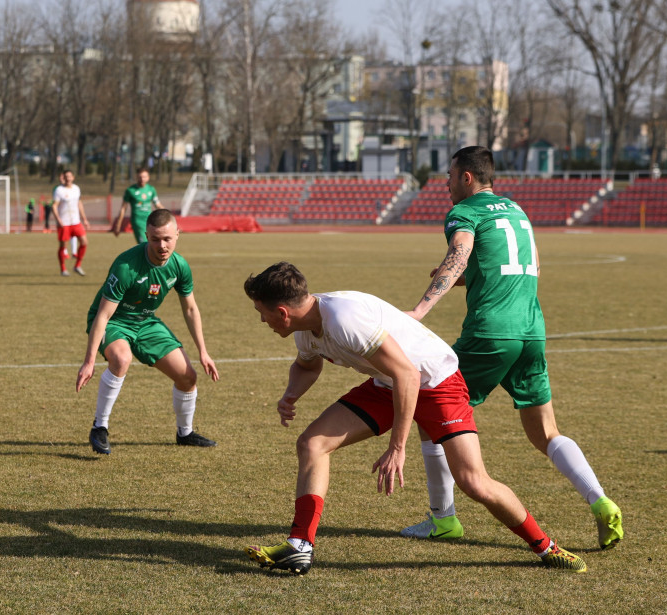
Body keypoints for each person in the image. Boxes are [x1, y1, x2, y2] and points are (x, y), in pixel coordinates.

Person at [241, 262, 587, 576]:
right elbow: (307, 365)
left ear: (283, 312)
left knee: (474, 482)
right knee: (313, 444)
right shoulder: (305, 328)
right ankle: (300, 547)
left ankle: (546, 546)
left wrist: (398, 447)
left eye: (262, 313)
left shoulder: (344, 318)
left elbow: (409, 374)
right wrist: (291, 394)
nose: (262, 320)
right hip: (389, 383)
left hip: (437, 383)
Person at [404, 145, 622, 550]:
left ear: (466, 177)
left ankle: (443, 520)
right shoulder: (516, 211)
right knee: (546, 432)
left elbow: (460, 253)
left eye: (450, 176)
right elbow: (529, 266)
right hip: (531, 332)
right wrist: (465, 280)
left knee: (429, 406)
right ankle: (601, 501)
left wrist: (420, 309)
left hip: (490, 334)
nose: (447, 184)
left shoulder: (463, 213)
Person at [76, 208, 219, 454]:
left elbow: (191, 310)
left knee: (188, 377)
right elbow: (103, 314)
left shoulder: (179, 266)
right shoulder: (126, 266)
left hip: (145, 322)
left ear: (177, 234)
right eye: (155, 239)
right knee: (121, 359)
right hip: (114, 321)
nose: (162, 245)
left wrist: (203, 352)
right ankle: (100, 427)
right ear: (146, 236)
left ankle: (185, 433)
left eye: (167, 239)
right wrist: (89, 361)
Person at [51, 170, 89, 277]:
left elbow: (79, 203)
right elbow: (54, 206)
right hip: (64, 223)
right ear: (64, 178)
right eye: (66, 176)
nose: (68, 178)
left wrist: (84, 219)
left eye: (70, 176)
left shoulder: (76, 189)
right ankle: (63, 269)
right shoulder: (59, 190)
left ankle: (77, 265)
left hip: (76, 222)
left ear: (73, 177)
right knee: (63, 246)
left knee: (84, 242)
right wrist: (58, 220)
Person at [113, 167, 163, 243]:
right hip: (137, 221)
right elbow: (123, 208)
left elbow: (158, 205)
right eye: (140, 177)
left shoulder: (151, 189)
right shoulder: (130, 190)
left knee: (152, 244)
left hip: (150, 221)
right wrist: (118, 225)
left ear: (148, 178)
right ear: (137, 177)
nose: (142, 179)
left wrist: (169, 217)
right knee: (144, 244)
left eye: (144, 177)